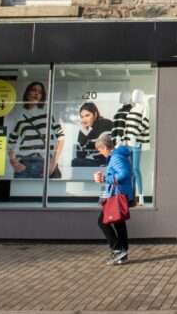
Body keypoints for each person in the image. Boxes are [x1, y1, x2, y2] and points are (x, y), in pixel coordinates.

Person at [8, 82, 64, 178]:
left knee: (43, 192)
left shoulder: (47, 115)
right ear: (27, 93)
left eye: (40, 92)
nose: (36, 94)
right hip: (23, 163)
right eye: (34, 90)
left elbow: (61, 138)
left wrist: (53, 163)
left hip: (43, 161)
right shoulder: (20, 118)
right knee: (21, 193)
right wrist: (12, 161)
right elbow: (10, 143)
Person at [93, 132, 133, 265]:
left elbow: (125, 173)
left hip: (117, 196)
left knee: (102, 222)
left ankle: (116, 249)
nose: (100, 153)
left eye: (100, 150)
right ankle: (123, 253)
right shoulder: (118, 156)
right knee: (119, 223)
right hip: (119, 194)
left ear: (105, 147)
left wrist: (105, 178)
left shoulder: (115, 157)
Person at [72, 102, 114, 167]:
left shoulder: (105, 124)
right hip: (97, 162)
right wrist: (84, 132)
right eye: (82, 117)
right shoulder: (85, 129)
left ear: (95, 114)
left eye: (87, 115)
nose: (84, 120)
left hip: (109, 160)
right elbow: (80, 155)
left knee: (76, 162)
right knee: (76, 162)